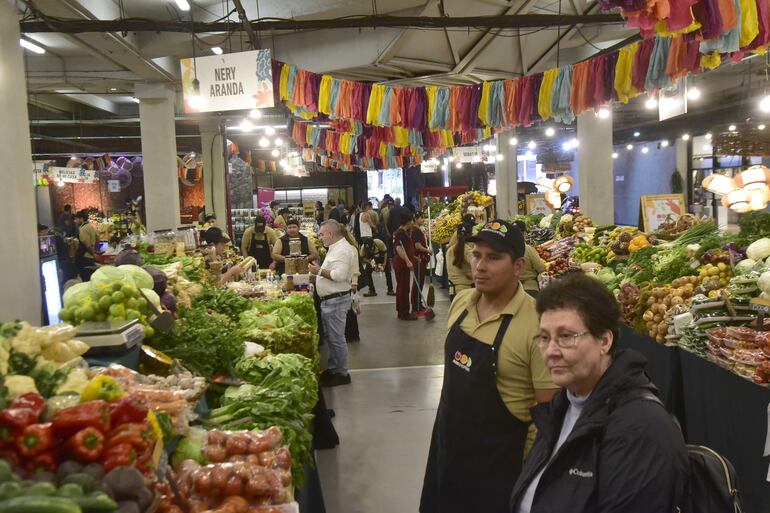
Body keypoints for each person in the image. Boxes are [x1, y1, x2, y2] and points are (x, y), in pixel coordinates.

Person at [511, 273, 688, 513]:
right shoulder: (561, 407)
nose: (550, 351)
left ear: (604, 340)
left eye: (565, 336)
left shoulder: (643, 428)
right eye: (544, 337)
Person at [420, 220, 559, 513]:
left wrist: (529, 479)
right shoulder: (461, 303)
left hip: (500, 471)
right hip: (449, 451)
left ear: (519, 266)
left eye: (494, 257)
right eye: (477, 255)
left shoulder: (537, 325)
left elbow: (548, 417)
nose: (480, 266)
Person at [309, 220, 357, 387]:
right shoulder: (335, 249)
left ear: (330, 233)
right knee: (331, 337)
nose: (320, 237)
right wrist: (316, 277)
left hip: (336, 301)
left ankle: (342, 373)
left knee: (337, 338)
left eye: (321, 234)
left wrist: (318, 271)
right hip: (330, 301)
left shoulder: (343, 250)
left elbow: (339, 275)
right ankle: (333, 368)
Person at [446, 215, 476, 301]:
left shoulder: (450, 250)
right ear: (470, 235)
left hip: (453, 289)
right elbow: (477, 264)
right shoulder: (467, 250)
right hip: (466, 290)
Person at [393, 213, 416, 320]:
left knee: (403, 287)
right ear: (408, 222)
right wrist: (407, 261)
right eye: (411, 221)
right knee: (403, 288)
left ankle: (402, 310)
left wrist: (413, 257)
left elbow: (405, 248)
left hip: (403, 263)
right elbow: (399, 248)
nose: (412, 223)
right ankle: (404, 312)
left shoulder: (402, 233)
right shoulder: (400, 233)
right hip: (402, 264)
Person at [514, 221, 547, 298]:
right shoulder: (528, 249)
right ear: (524, 233)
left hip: (512, 289)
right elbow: (541, 268)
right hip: (529, 288)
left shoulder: (506, 250)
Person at [411, 212, 432, 314]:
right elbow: (417, 246)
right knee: (418, 282)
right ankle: (416, 305)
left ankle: (418, 303)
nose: (423, 220)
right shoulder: (416, 231)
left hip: (420, 259)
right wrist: (428, 251)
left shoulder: (417, 230)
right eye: (421, 218)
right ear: (415, 219)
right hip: (418, 259)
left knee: (420, 281)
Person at [73, 210, 99, 281]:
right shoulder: (91, 226)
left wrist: (93, 253)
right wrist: (95, 251)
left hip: (85, 257)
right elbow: (97, 238)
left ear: (81, 219)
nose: (75, 221)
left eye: (76, 219)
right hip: (90, 257)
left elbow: (87, 244)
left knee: (86, 279)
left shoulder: (83, 229)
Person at [380, 198, 396, 296]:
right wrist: (388, 232)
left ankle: (391, 256)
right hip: (388, 231)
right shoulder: (386, 212)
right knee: (388, 245)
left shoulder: (386, 210)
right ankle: (390, 257)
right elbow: (385, 223)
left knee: (390, 245)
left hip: (390, 231)